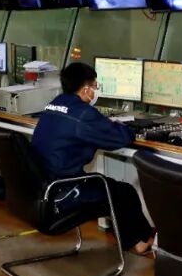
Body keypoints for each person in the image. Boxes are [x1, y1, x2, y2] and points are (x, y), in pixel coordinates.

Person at [30, 62, 154, 255]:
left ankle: (136, 240)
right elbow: (119, 138)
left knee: (111, 187)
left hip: (43, 187)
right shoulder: (83, 114)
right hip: (65, 192)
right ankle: (140, 242)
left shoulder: (54, 104)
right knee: (125, 192)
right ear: (86, 89)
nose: (95, 91)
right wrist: (127, 128)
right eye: (95, 86)